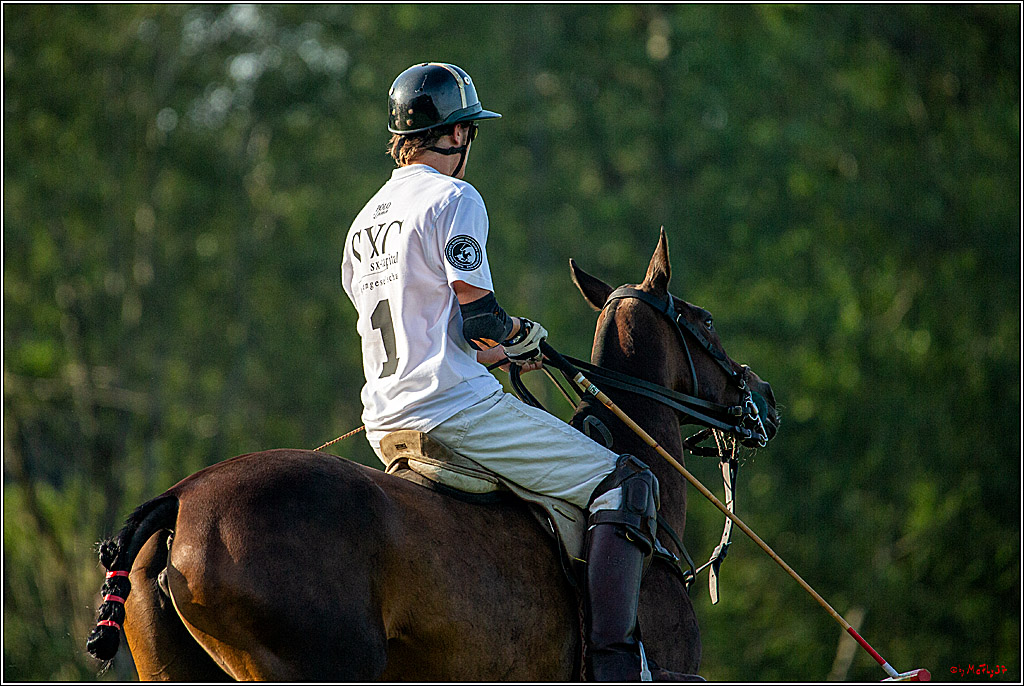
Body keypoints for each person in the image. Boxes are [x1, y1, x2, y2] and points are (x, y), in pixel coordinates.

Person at [340, 62, 695, 682]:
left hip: (384, 424)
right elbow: (481, 317)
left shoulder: (362, 223)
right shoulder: (454, 199)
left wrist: (490, 349)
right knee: (629, 482)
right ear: (454, 134)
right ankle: (618, 669)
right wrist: (517, 334)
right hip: (455, 412)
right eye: (468, 130)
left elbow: (432, 325)